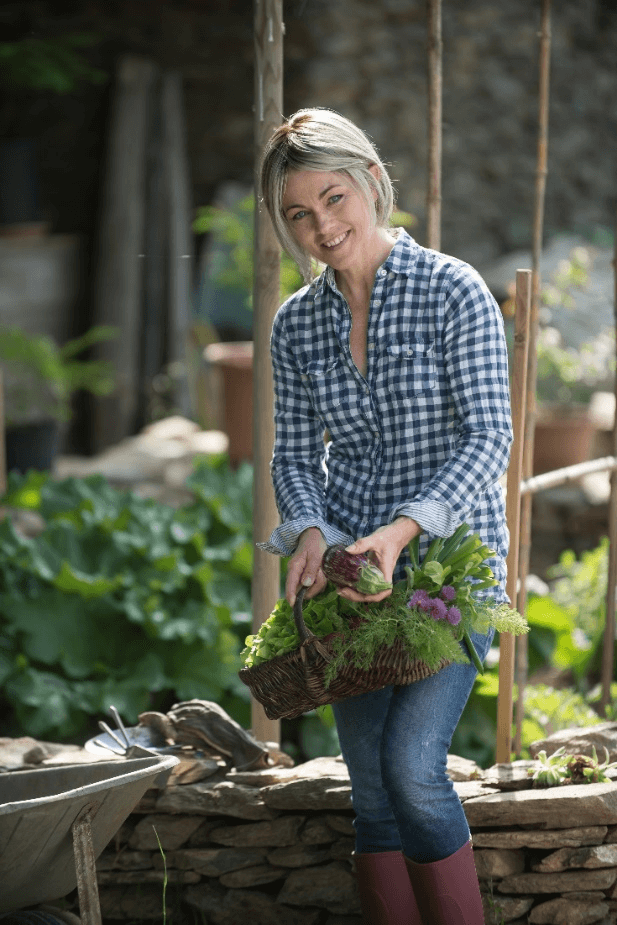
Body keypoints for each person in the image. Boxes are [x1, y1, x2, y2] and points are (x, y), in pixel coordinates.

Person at [257, 107, 512, 925]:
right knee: (368, 790)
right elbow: (294, 456)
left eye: (334, 198)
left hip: (447, 572)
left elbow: (489, 436)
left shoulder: (450, 290)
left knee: (410, 766)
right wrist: (309, 530)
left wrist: (403, 531)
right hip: (354, 584)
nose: (321, 226)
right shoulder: (296, 325)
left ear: (372, 184)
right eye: (298, 213)